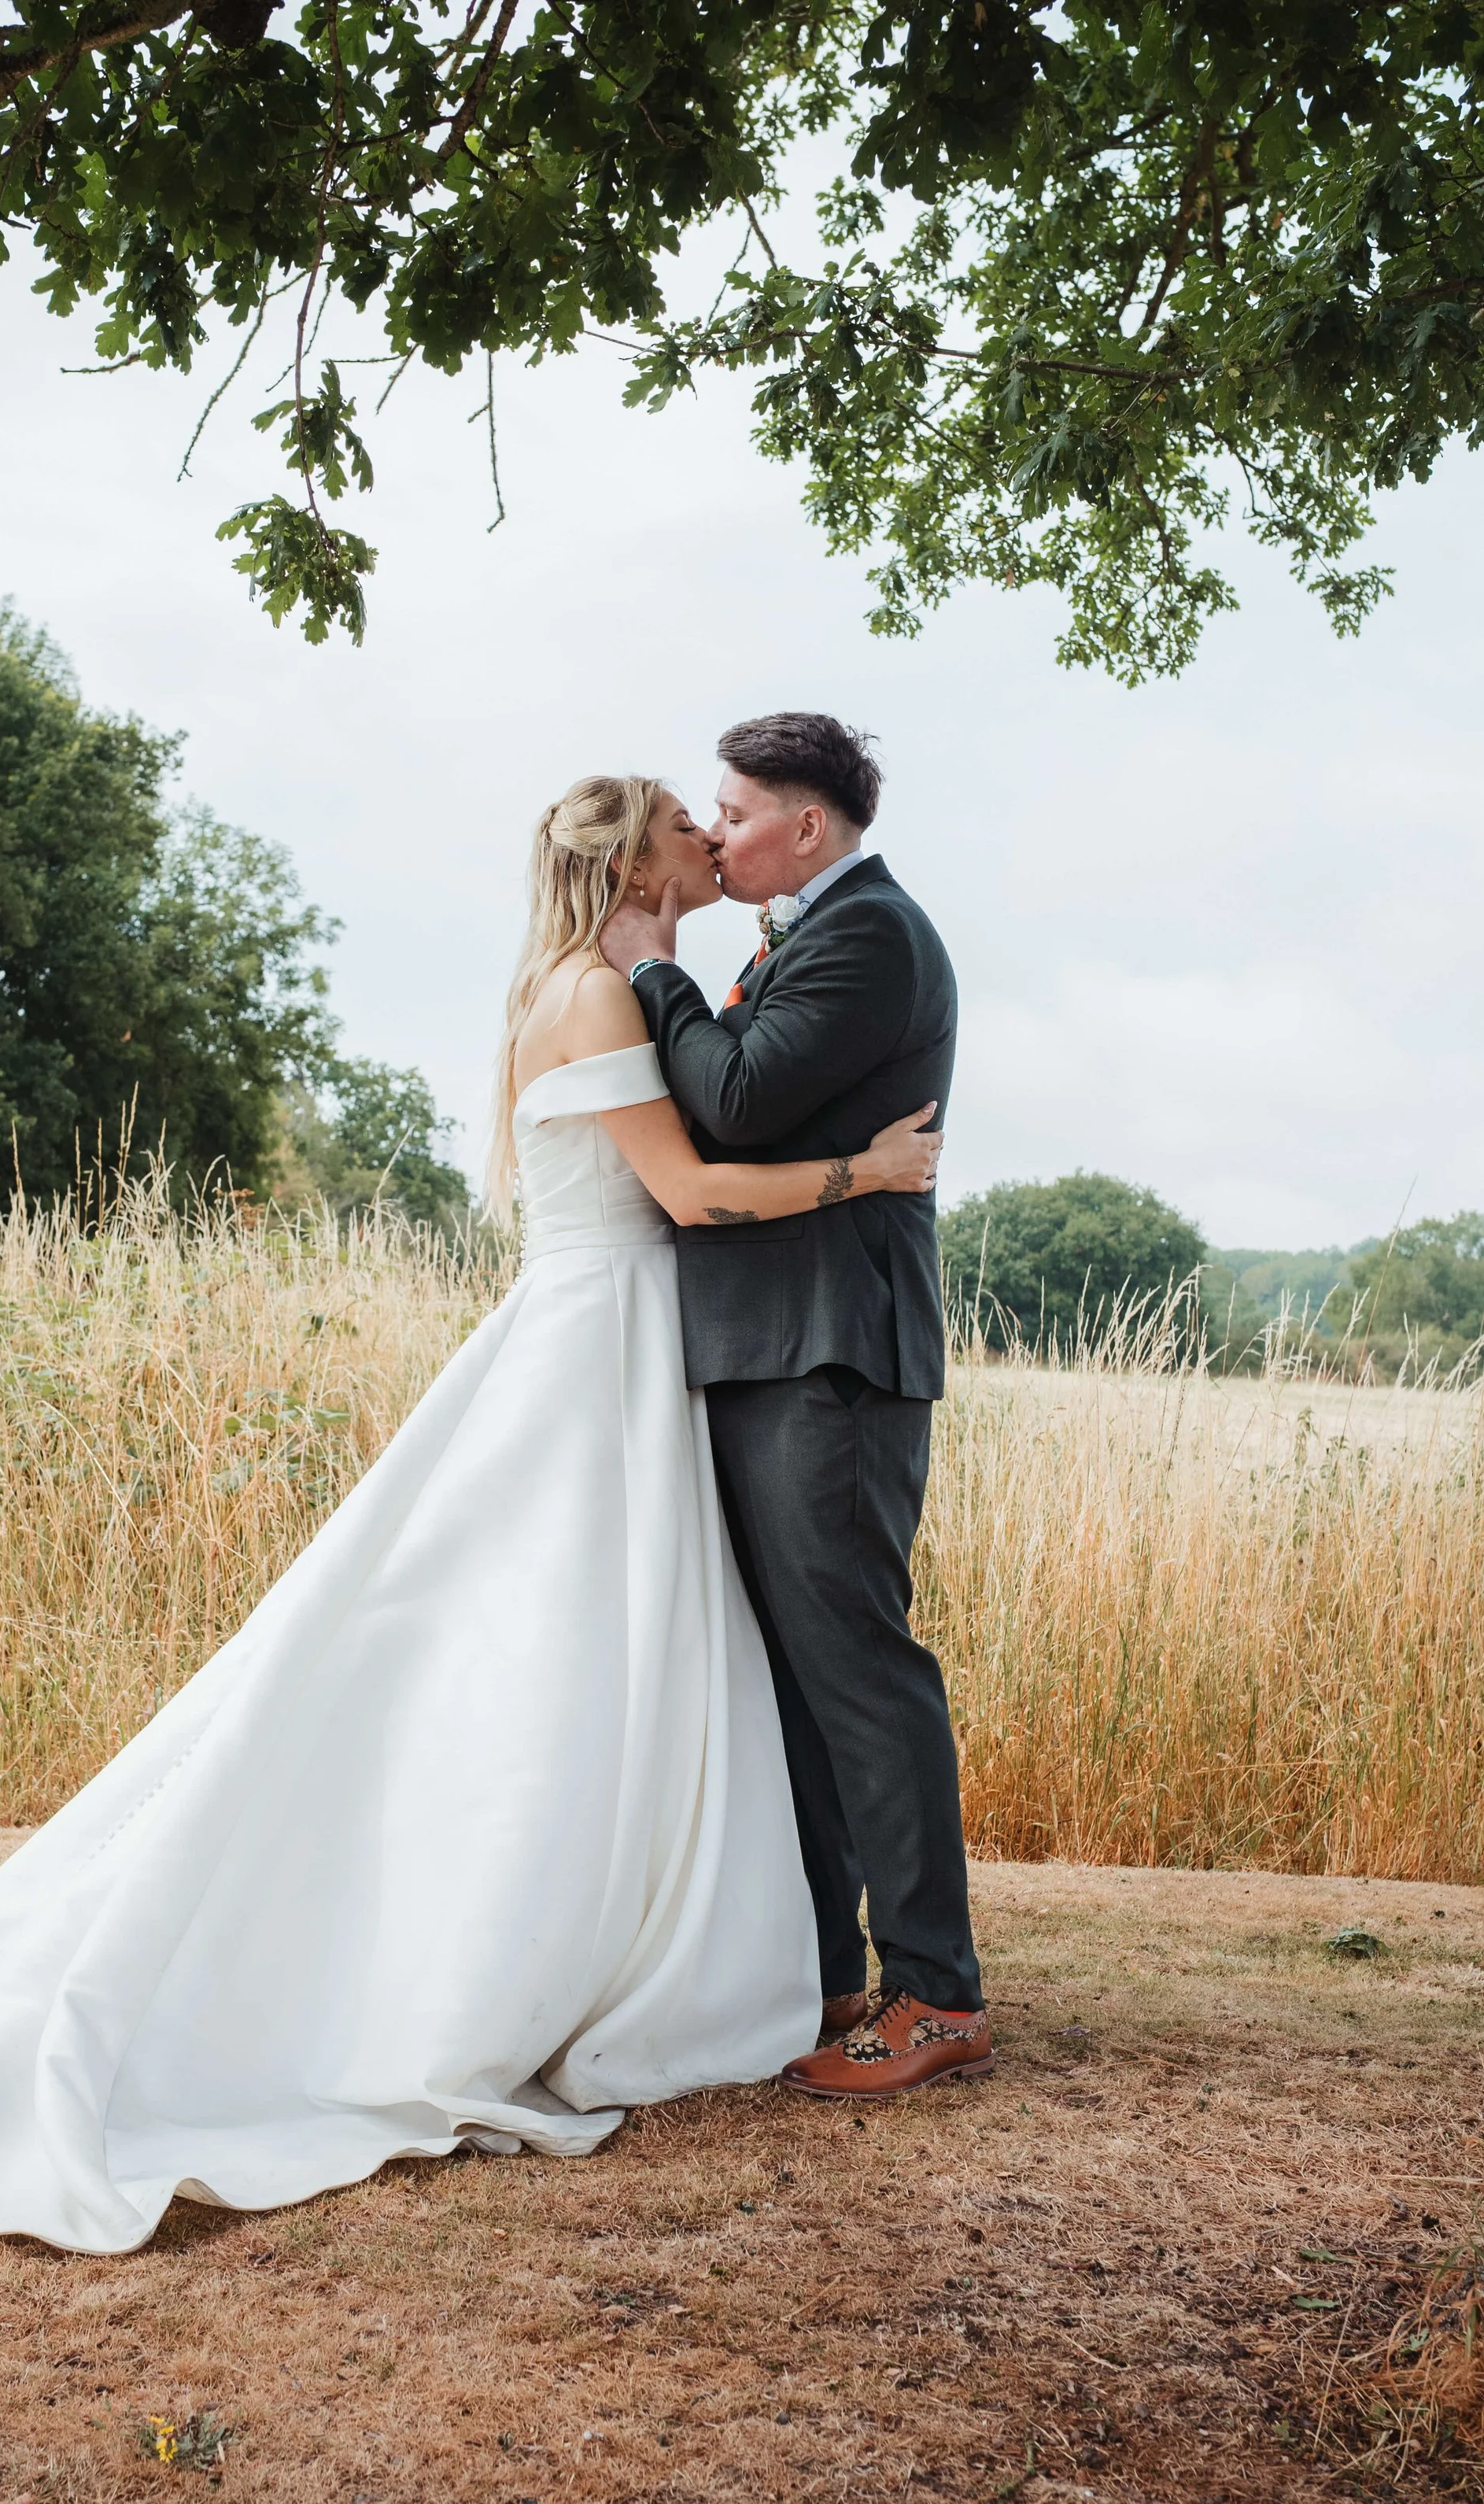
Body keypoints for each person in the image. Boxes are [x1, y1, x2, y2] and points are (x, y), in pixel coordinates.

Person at [0, 773, 943, 2255]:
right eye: (687, 816)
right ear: (630, 856)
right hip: (594, 1350)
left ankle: (650, 1943)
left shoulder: (613, 982)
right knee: (539, 1650)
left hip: (619, 1354)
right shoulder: (597, 997)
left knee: (585, 1657)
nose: (708, 834)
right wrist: (864, 1170)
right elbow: (682, 1194)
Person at [600, 713, 991, 2102]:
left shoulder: (870, 935)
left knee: (857, 1665)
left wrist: (656, 977)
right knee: (792, 1681)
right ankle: (829, 1971)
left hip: (834, 1351)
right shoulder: (798, 935)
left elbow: (744, 1104)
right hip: (767, 1345)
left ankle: (937, 1991)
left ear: (806, 826)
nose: (714, 835)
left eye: (736, 812)